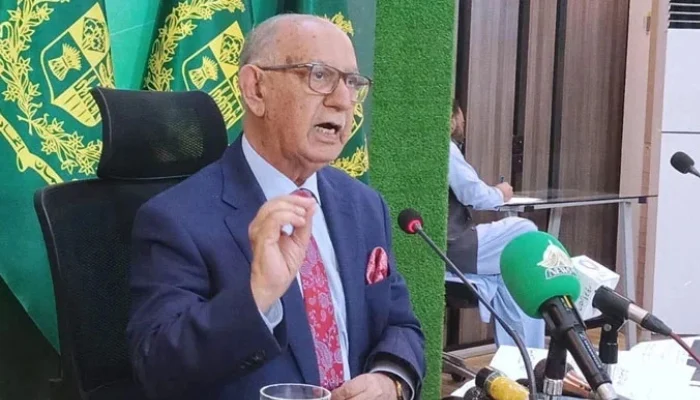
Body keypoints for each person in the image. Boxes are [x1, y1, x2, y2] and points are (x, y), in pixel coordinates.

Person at [126, 14, 425, 400]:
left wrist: (389, 380)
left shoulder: (365, 206)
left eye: (352, 82)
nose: (342, 100)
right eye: (319, 75)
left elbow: (400, 324)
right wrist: (257, 295)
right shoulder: (175, 219)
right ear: (256, 89)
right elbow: (157, 368)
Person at [446, 100, 545, 349]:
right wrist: (501, 192)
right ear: (452, 118)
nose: (463, 123)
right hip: (454, 246)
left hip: (449, 246)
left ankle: (517, 358)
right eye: (461, 117)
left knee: (510, 277)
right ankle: (531, 357)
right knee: (526, 233)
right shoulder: (445, 148)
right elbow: (473, 194)